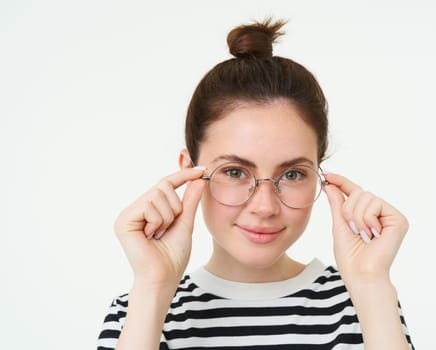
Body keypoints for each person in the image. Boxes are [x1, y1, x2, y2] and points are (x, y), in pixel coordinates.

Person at [97, 19, 415, 350]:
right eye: (234, 172)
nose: (264, 207)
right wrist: (153, 286)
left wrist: (371, 284)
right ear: (189, 171)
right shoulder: (136, 313)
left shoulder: (362, 306)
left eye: (292, 174)